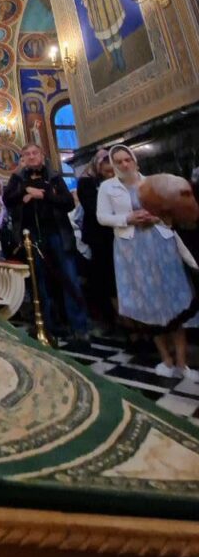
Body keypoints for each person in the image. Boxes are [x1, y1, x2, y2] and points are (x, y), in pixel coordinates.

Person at [96, 145, 198, 381]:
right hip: (132, 249)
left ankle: (182, 363)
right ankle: (166, 360)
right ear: (113, 165)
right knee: (150, 304)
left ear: (135, 161)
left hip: (161, 244)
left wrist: (156, 215)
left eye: (127, 159)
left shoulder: (151, 182)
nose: (124, 164)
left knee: (174, 301)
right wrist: (128, 218)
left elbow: (171, 208)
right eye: (118, 161)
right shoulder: (108, 187)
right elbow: (102, 217)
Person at [4, 142, 89, 342]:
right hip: (32, 236)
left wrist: (42, 195)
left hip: (57, 233)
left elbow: (68, 202)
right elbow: (8, 200)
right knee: (40, 282)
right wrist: (22, 186)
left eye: (35, 153)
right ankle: (47, 326)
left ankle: (79, 327)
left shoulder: (54, 177)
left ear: (42, 155)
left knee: (69, 280)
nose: (31, 156)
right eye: (27, 154)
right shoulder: (19, 179)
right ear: (22, 159)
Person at [77, 149, 116, 327]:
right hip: (99, 236)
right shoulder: (87, 182)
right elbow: (92, 208)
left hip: (118, 234)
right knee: (104, 277)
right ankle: (110, 318)